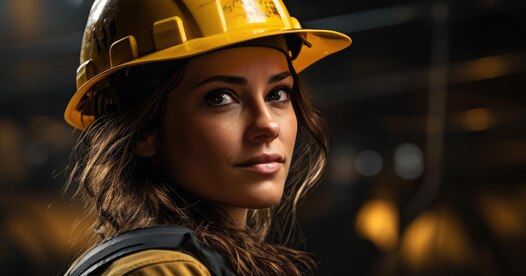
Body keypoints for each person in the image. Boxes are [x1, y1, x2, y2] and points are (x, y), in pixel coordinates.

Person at [62, 0, 351, 275]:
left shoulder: (203, 261)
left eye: (277, 94)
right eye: (220, 97)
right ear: (143, 131)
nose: (267, 125)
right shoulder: (161, 271)